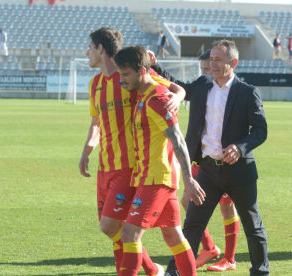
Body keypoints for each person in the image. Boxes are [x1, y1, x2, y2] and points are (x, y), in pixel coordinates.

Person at [152, 39, 269, 276]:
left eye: (218, 59)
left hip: (239, 172)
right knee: (193, 225)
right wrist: (155, 66)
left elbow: (260, 130)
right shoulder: (203, 85)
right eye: (211, 59)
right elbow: (176, 85)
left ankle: (260, 271)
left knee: (252, 226)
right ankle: (175, 271)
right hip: (206, 171)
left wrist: (241, 146)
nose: (212, 63)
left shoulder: (248, 92)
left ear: (233, 63)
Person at [79, 27, 184, 276]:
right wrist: (87, 150)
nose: (86, 53)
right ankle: (149, 270)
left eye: (90, 47)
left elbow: (175, 89)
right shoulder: (94, 84)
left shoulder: (128, 77)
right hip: (105, 167)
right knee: (114, 229)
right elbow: (97, 123)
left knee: (113, 227)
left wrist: (178, 97)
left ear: (101, 49)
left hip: (129, 168)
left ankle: (148, 270)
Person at [113, 45, 205, 276]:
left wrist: (188, 179)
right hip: (150, 176)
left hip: (157, 178)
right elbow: (178, 89)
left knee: (129, 235)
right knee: (173, 234)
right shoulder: (147, 92)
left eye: (126, 74)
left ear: (143, 71)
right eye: (120, 74)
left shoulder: (157, 98)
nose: (122, 80)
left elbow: (178, 139)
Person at [177, 49, 241, 272]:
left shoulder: (231, 90)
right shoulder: (203, 87)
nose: (205, 74)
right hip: (201, 157)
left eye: (209, 68)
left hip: (223, 160)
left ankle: (230, 258)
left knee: (227, 208)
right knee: (187, 201)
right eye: (203, 69)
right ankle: (210, 248)